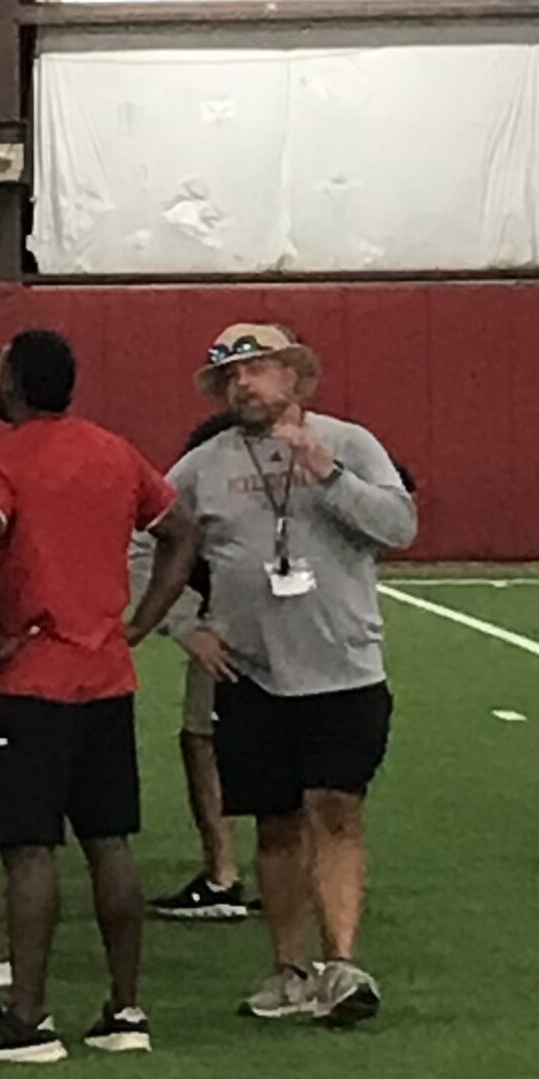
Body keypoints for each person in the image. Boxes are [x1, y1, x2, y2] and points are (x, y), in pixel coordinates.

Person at [0, 329, 196, 1065]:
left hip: (30, 680)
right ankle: (125, 1008)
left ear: (14, 384)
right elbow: (180, 530)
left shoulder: (2, 458)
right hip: (105, 674)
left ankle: (28, 1015)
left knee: (29, 849)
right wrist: (142, 620)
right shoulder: (113, 450)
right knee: (108, 841)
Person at [171, 322, 417, 1028]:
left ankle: (342, 963)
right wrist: (186, 625)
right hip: (251, 675)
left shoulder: (349, 442)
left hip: (343, 666)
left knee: (337, 811)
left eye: (257, 369)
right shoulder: (202, 465)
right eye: (230, 375)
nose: (242, 384)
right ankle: (288, 968)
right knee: (274, 825)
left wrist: (328, 474)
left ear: (294, 377)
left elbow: (400, 524)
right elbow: (143, 538)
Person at [150, 394, 254, 921]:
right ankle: (223, 871)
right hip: (227, 622)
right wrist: (186, 623)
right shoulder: (209, 455)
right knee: (204, 738)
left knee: (296, 752)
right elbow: (152, 533)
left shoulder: (325, 449)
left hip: (301, 633)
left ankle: (231, 873)